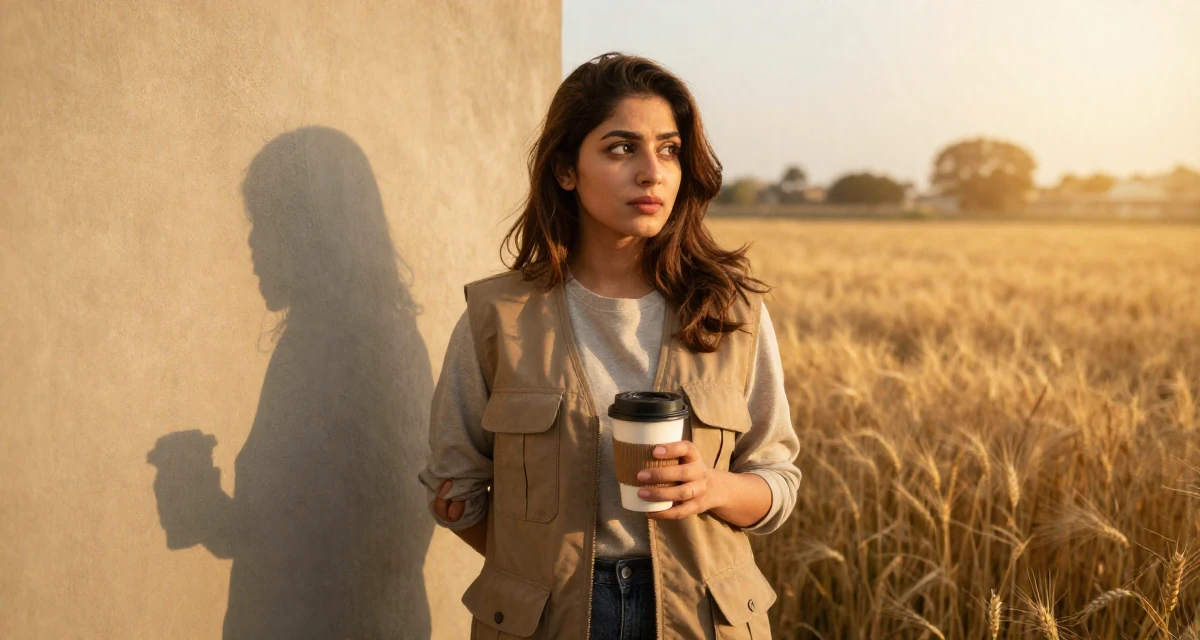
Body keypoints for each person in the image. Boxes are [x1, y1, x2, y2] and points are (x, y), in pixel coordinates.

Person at [417, 52, 801, 640]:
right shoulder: (497, 316)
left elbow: (777, 481)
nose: (652, 172)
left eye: (669, 149)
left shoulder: (732, 313)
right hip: (544, 622)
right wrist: (537, 565)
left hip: (703, 619)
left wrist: (713, 488)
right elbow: (456, 488)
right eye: (622, 148)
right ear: (567, 169)